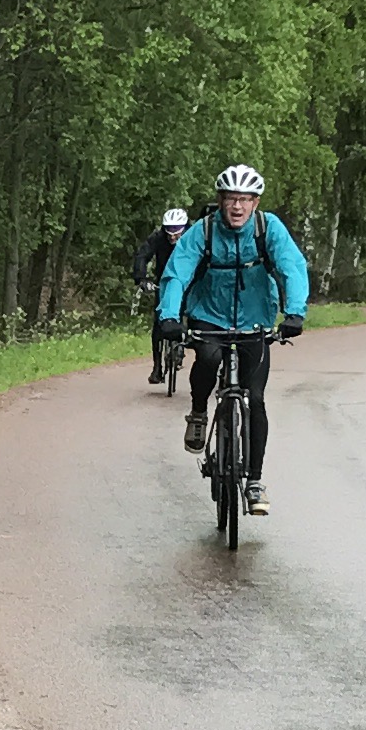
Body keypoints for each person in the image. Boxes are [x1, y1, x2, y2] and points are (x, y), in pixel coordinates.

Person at [159, 164, 309, 515]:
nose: (237, 206)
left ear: (255, 202)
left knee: (255, 399)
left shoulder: (268, 228)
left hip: (255, 320)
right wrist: (168, 316)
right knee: (208, 358)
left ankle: (254, 481)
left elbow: (292, 266)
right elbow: (177, 273)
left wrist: (295, 313)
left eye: (244, 199)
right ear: (220, 200)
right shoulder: (204, 231)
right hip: (209, 314)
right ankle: (199, 411)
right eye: (230, 199)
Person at [135, 206, 191, 385]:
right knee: (158, 324)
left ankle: (183, 346)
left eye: (177, 233)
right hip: (164, 283)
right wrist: (142, 278)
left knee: (194, 316)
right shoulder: (158, 238)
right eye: (169, 233)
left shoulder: (194, 236)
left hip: (190, 282)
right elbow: (142, 256)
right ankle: (157, 367)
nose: (172, 237)